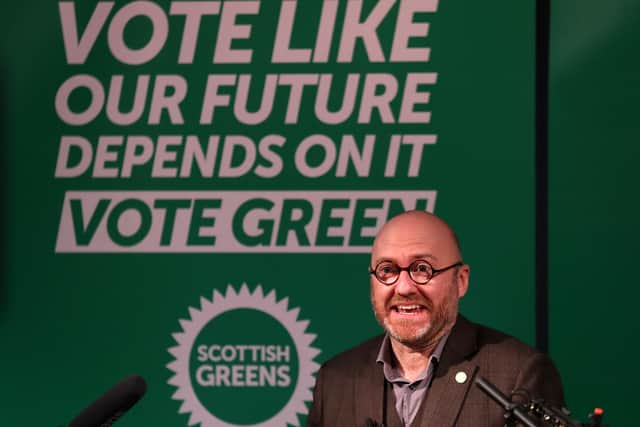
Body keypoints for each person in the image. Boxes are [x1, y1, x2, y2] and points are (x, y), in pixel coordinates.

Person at [306, 210, 564, 427]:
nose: (404, 287)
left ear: (460, 281)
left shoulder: (518, 374)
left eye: (422, 269)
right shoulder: (335, 379)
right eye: (387, 270)